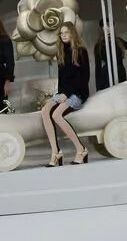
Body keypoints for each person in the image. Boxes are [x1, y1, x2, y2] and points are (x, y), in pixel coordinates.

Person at [40, 23, 90, 167]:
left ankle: (81, 149)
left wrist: (67, 94)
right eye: (61, 33)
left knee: (56, 115)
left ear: (73, 33)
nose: (64, 35)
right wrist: (60, 94)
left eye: (66, 32)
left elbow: (83, 78)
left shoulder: (81, 51)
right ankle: (56, 153)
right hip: (63, 92)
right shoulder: (61, 52)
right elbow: (61, 78)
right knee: (45, 111)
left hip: (78, 92)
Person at [93, 20, 127, 91]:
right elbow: (98, 67)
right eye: (105, 26)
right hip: (107, 76)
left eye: (110, 26)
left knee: (121, 93)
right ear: (102, 28)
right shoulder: (99, 45)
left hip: (120, 73)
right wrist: (98, 88)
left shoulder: (118, 41)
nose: (108, 28)